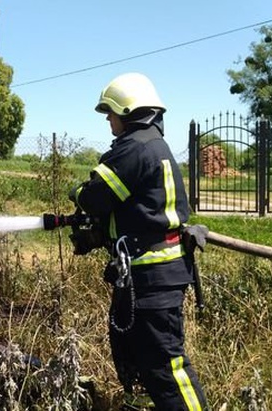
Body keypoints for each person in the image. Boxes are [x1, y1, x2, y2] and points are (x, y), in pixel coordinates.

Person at [68, 72, 207, 410]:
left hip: (153, 278)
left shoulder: (134, 148)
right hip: (143, 276)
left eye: (110, 113)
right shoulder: (151, 144)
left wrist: (78, 192)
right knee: (134, 358)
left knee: (166, 367)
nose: (108, 120)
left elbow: (95, 197)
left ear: (128, 111)